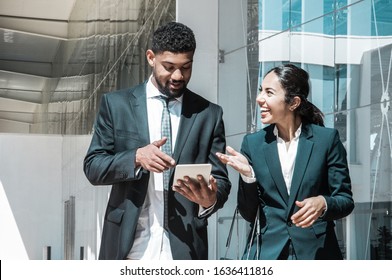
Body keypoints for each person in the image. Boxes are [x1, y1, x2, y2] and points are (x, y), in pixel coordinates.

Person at [83, 21, 231, 260]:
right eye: (169, 66)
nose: (178, 76)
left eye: (186, 67)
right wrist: (136, 157)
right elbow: (93, 167)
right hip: (128, 247)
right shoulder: (116, 105)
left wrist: (210, 198)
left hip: (185, 248)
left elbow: (221, 180)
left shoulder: (209, 114)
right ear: (151, 57)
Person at [217, 64, 354, 260]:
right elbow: (249, 214)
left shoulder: (326, 140)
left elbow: (345, 200)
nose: (259, 99)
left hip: (317, 253)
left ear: (294, 102)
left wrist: (323, 202)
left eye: (269, 92)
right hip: (267, 253)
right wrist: (248, 176)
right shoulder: (253, 143)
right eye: (260, 91)